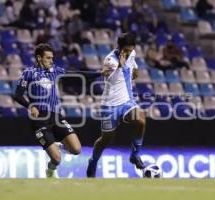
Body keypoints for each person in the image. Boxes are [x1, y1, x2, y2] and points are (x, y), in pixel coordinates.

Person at [14, 43, 109, 178]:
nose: (51, 61)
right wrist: (31, 106)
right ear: (39, 58)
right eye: (48, 58)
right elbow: (17, 95)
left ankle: (59, 145)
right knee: (56, 159)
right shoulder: (28, 73)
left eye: (52, 58)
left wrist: (99, 73)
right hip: (40, 120)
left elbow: (76, 74)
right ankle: (51, 170)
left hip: (56, 117)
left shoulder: (55, 70)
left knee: (76, 149)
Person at [86, 33, 147, 177]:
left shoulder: (131, 53)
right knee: (106, 139)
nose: (128, 53)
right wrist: (119, 65)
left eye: (130, 50)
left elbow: (133, 65)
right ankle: (93, 161)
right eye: (125, 50)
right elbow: (110, 79)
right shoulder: (110, 60)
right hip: (110, 105)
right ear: (119, 48)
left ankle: (135, 155)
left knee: (141, 120)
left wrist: (135, 70)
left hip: (127, 101)